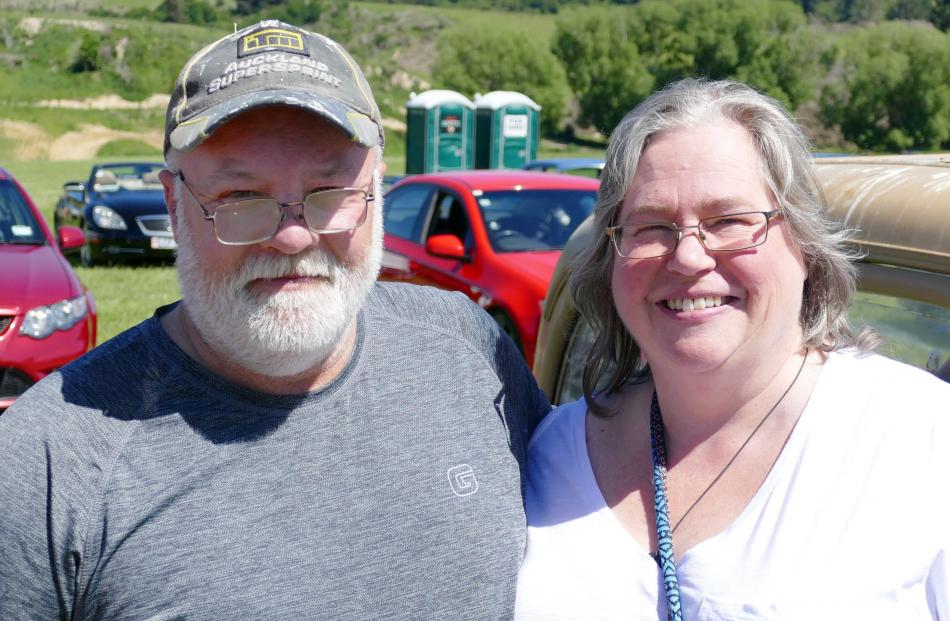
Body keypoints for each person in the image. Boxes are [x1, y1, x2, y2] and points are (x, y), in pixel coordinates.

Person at [0, 20, 549, 619]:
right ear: (173, 203)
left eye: (331, 188)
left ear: (378, 192)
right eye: (240, 198)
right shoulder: (47, 462)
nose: (292, 236)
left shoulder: (465, 350)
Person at [515, 79, 950, 620]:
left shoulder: (922, 437)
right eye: (651, 226)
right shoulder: (548, 454)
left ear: (805, 245)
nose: (689, 257)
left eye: (729, 221)